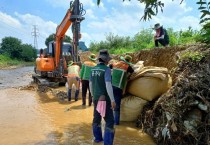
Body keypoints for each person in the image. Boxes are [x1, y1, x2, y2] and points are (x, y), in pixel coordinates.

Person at [89, 49, 116, 145]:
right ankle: (107, 143)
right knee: (109, 121)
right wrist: (112, 100)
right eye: (108, 59)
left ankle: (97, 139)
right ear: (106, 60)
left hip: (96, 98)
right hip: (105, 99)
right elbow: (108, 84)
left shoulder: (93, 69)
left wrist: (92, 96)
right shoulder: (106, 69)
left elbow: (90, 84)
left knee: (96, 118)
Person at [109, 54, 134, 125]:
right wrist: (128, 77)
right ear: (128, 61)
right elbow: (133, 72)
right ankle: (116, 122)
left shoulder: (115, 64)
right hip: (119, 87)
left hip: (111, 85)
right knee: (117, 105)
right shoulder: (127, 66)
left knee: (111, 101)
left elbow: (109, 67)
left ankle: (110, 119)